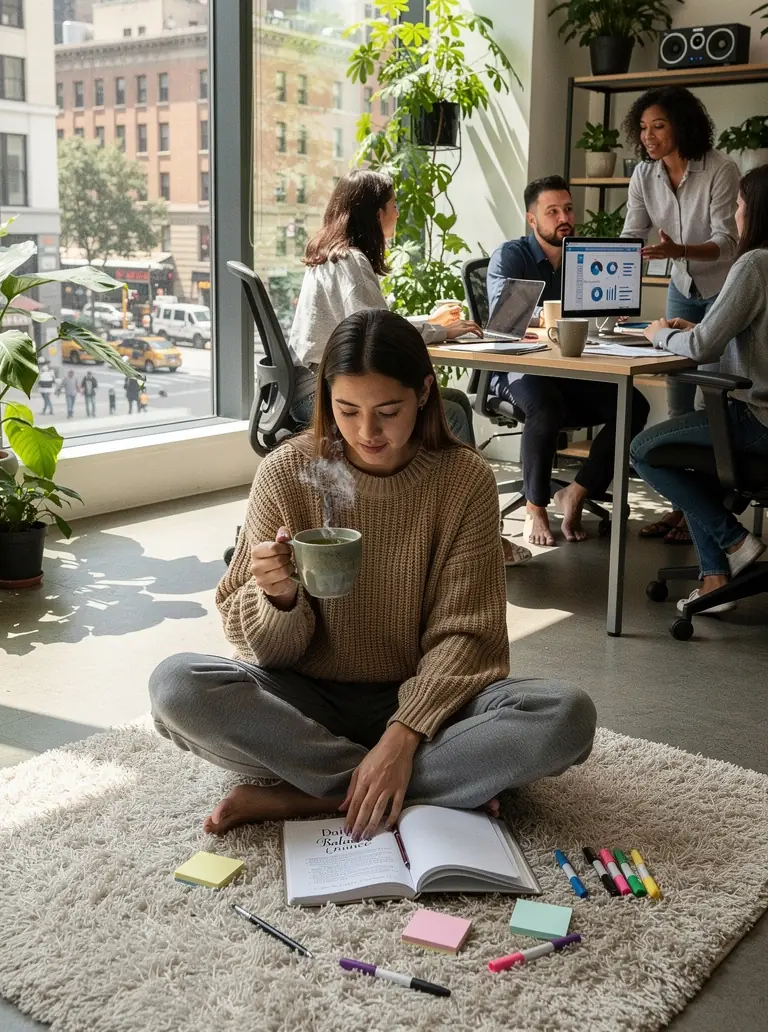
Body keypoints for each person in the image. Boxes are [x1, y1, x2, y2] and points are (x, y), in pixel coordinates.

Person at [149, 310, 596, 838]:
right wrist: (277, 597)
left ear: (425, 393)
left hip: (427, 704)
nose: (367, 432)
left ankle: (307, 796)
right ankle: (411, 786)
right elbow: (266, 655)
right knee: (176, 686)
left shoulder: (463, 481)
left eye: (388, 411)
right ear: (326, 399)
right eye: (346, 410)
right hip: (306, 703)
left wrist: (403, 735)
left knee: (565, 716)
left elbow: (469, 636)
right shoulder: (286, 472)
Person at [631, 164, 768, 616]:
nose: (736, 214)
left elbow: (703, 346)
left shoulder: (754, 264)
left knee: (645, 449)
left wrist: (657, 333)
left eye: (742, 205)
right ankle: (714, 577)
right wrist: (693, 327)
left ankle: (735, 540)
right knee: (689, 457)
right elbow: (735, 336)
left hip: (755, 421)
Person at [488, 176, 649, 546]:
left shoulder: (582, 258)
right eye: (553, 211)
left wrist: (610, 310)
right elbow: (504, 318)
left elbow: (593, 318)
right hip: (518, 367)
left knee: (633, 405)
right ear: (533, 221)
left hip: (570, 368)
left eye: (569, 208)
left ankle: (577, 491)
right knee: (545, 405)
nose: (565, 217)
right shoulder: (512, 255)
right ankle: (535, 506)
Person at [287, 169, 482, 448]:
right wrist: (442, 331)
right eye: (394, 205)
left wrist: (431, 322)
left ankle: (442, 488)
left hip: (310, 386)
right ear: (376, 214)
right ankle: (452, 490)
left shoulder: (331, 254)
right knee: (452, 415)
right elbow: (382, 334)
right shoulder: (351, 261)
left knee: (458, 401)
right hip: (322, 393)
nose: (399, 213)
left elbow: (375, 321)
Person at [620, 87, 739, 544]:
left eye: (659, 126)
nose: (648, 137)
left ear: (682, 125)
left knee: (714, 398)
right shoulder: (644, 176)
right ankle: (682, 506)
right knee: (677, 400)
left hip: (724, 290)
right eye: (644, 128)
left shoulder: (720, 169)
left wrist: (677, 250)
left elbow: (728, 242)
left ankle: (705, 512)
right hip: (683, 288)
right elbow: (632, 235)